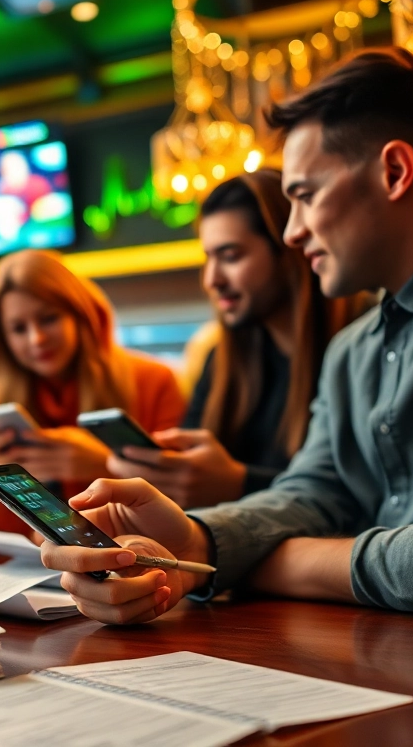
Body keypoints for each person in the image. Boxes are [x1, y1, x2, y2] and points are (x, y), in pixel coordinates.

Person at [38, 47, 413, 625]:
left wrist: (250, 561)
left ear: (394, 172)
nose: (292, 231)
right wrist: (194, 540)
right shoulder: (351, 350)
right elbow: (313, 492)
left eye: (304, 196)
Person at [108, 170, 368, 508]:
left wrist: (239, 485)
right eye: (208, 258)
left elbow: (367, 499)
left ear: (289, 251)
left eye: (230, 257)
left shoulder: (359, 345)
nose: (211, 279)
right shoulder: (223, 358)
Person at [0, 249, 185, 534]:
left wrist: (106, 466)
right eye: (18, 329)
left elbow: (185, 504)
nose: (37, 339)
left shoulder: (154, 380)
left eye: (48, 318)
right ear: (2, 339)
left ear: (82, 314)